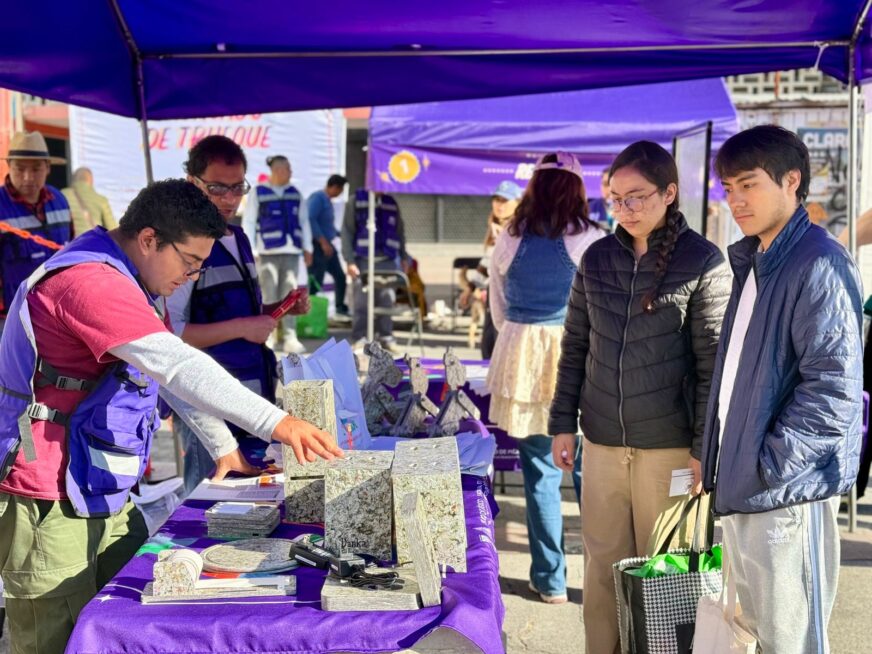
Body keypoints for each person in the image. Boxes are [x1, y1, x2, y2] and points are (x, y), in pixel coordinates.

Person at [0, 179, 341, 654]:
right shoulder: (89, 282)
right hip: (47, 497)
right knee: (52, 637)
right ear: (148, 239)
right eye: (190, 263)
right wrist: (279, 424)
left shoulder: (132, 275)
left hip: (100, 485)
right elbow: (177, 363)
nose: (193, 278)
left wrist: (224, 447)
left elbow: (161, 367)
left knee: (124, 620)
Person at [548, 141, 730, 652]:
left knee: (666, 584)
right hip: (603, 445)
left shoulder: (703, 261)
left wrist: (703, 449)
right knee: (602, 577)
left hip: (671, 451)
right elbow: (576, 344)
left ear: (670, 193)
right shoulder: (597, 257)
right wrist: (563, 421)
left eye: (637, 197)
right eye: (616, 199)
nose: (625, 209)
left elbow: (712, 366)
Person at [700, 125, 863, 653]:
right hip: (749, 482)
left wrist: (771, 463)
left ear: (792, 181)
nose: (736, 200)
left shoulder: (818, 261)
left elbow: (834, 388)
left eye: (748, 184)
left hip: (785, 489)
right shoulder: (757, 260)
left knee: (791, 640)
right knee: (757, 635)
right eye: (728, 188)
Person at [485, 153, 604, 605]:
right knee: (590, 474)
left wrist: (517, 330)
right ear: (576, 189)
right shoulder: (590, 238)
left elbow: (497, 301)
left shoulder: (509, 236)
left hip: (521, 351)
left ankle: (550, 579)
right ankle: (597, 581)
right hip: (576, 350)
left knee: (540, 472)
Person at [168, 136, 309, 495]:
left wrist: (278, 307)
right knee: (209, 496)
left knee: (247, 499)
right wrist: (244, 326)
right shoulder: (183, 244)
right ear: (192, 183)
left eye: (237, 188)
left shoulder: (239, 236)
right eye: (217, 188)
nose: (229, 199)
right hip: (206, 403)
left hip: (251, 396)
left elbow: (243, 313)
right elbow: (170, 335)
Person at [242, 154, 313, 354]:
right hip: (267, 253)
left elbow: (304, 222)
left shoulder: (295, 193)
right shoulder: (258, 193)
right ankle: (269, 336)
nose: (290, 173)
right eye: (288, 169)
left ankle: (290, 337)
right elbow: (249, 221)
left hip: (291, 252)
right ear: (278, 170)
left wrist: (308, 248)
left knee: (290, 296)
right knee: (269, 295)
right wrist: (251, 249)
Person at [0, 131, 72, 320]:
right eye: (19, 169)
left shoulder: (61, 200)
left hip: (56, 312)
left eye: (36, 169)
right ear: (9, 166)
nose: (27, 177)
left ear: (48, 168)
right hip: (12, 316)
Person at [342, 189, 411, 352]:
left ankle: (386, 336)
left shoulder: (391, 202)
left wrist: (404, 256)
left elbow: (399, 232)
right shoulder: (355, 201)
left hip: (387, 261)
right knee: (361, 302)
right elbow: (347, 231)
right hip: (362, 261)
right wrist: (349, 261)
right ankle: (360, 338)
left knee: (386, 299)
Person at [459, 180, 522, 359]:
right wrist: (470, 289)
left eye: (505, 200)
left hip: (510, 297)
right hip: (491, 294)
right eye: (496, 199)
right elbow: (486, 263)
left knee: (500, 351)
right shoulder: (495, 226)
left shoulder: (519, 229)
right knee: (488, 348)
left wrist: (503, 239)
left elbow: (510, 264)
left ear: (518, 204)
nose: (499, 205)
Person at [307, 174, 350, 320]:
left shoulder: (328, 201)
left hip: (329, 246)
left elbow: (327, 226)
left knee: (340, 276)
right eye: (340, 189)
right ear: (334, 187)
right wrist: (322, 241)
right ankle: (307, 313)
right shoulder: (318, 198)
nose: (340, 193)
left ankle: (340, 308)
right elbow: (310, 219)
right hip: (318, 246)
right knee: (315, 280)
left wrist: (341, 234)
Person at [62, 167, 117, 236]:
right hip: (92, 243)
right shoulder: (101, 200)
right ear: (91, 181)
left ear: (73, 180)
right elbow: (112, 229)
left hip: (69, 244)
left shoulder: (62, 195)